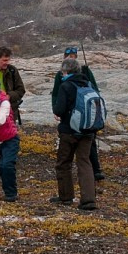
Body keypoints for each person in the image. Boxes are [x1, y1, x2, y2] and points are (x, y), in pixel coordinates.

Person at [51, 46, 105, 180]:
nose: (71, 57)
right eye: (69, 55)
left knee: (85, 145)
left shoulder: (85, 71)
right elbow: (56, 93)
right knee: (87, 144)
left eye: (73, 55)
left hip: (83, 114)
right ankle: (91, 174)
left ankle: (96, 169)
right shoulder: (61, 75)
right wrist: (55, 108)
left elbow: (95, 88)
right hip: (79, 114)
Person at [51, 58, 97, 210]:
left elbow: (59, 110)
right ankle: (89, 199)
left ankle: (66, 197)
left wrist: (58, 113)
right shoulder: (87, 83)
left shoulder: (66, 86)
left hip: (69, 131)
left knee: (64, 163)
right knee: (84, 162)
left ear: (66, 71)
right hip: (88, 131)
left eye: (62, 72)